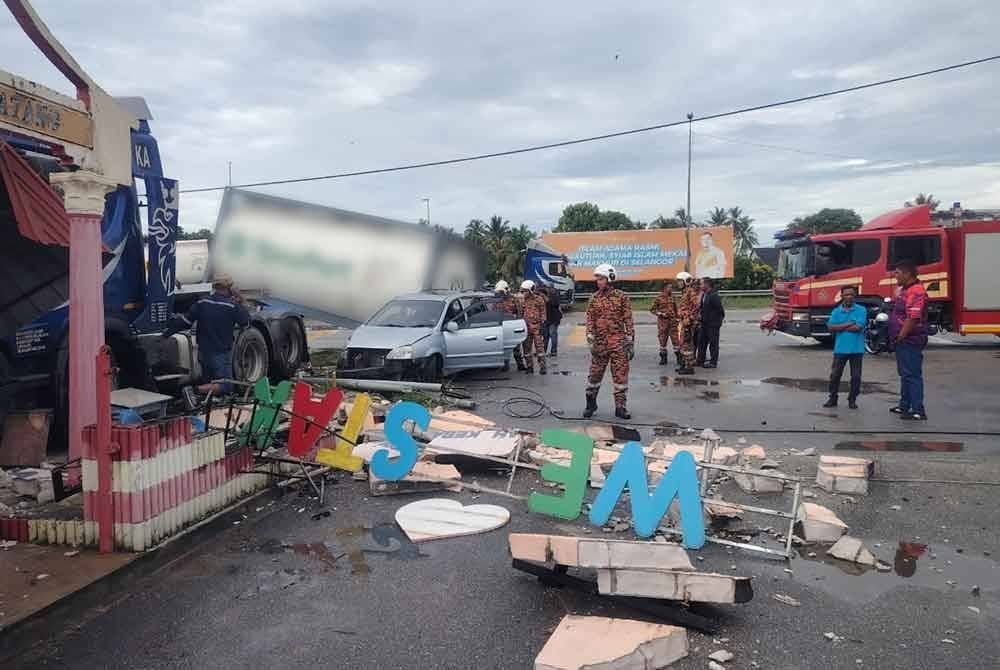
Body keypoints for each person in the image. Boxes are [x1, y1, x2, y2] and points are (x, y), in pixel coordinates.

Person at [163, 273, 250, 408]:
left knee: (208, 381)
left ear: (215, 286)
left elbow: (185, 321)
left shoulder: (202, 302)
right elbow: (246, 322)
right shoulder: (232, 307)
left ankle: (204, 404)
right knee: (225, 386)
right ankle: (192, 391)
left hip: (203, 351)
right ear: (229, 287)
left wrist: (166, 334)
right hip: (220, 352)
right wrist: (241, 300)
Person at [584, 263, 634, 419]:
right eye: (597, 279)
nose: (598, 281)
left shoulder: (622, 297)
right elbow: (590, 320)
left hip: (618, 344)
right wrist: (590, 339)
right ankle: (590, 404)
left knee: (620, 377)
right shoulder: (594, 298)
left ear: (610, 278)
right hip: (600, 345)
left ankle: (620, 408)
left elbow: (628, 320)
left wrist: (631, 341)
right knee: (594, 376)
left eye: (601, 278)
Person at [888, 260, 929, 420]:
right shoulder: (906, 290)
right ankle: (904, 405)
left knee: (912, 374)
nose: (894, 275)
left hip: (910, 340)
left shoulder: (916, 291)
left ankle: (918, 409)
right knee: (905, 374)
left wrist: (901, 336)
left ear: (907, 274)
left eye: (897, 272)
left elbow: (912, 318)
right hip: (902, 340)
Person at [822, 285, 866, 409]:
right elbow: (830, 327)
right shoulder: (836, 311)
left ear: (855, 296)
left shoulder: (861, 310)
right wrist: (850, 323)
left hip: (857, 349)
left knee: (856, 377)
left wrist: (840, 327)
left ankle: (852, 399)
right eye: (846, 294)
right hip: (840, 349)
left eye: (851, 294)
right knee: (835, 375)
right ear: (841, 296)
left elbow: (858, 328)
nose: (849, 297)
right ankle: (832, 398)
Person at [494, 280, 527, 371]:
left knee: (516, 346)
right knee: (505, 347)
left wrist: (519, 323)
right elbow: (493, 312)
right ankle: (505, 365)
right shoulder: (497, 301)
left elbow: (520, 312)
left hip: (513, 325)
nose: (500, 294)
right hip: (502, 326)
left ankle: (520, 364)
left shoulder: (513, 299)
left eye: (501, 292)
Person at [520, 280, 548, 374]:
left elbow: (543, 312)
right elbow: (520, 313)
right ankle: (529, 367)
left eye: (525, 291)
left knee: (539, 348)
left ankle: (542, 367)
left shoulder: (539, 299)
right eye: (523, 291)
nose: (524, 293)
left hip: (537, 327)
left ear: (531, 290)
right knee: (526, 348)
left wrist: (543, 325)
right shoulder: (522, 300)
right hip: (526, 327)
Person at [696, 278, 725, 368]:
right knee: (701, 342)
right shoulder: (705, 294)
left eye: (701, 284)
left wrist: (717, 323)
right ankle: (700, 360)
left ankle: (713, 362)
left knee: (713, 343)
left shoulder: (713, 295)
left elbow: (720, 310)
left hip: (712, 324)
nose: (700, 286)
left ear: (707, 284)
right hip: (704, 323)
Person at [675, 271, 700, 375]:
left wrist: (689, 318)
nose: (678, 283)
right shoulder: (685, 292)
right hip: (683, 322)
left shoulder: (690, 292)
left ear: (686, 281)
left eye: (680, 281)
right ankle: (684, 364)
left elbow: (697, 305)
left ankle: (689, 367)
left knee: (687, 345)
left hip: (687, 323)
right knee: (683, 345)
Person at [649, 283, 679, 366]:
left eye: (671, 287)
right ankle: (663, 358)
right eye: (669, 287)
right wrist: (661, 314)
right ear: (664, 288)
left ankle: (679, 359)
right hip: (663, 323)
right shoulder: (659, 298)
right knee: (662, 341)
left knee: (676, 341)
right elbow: (652, 310)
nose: (671, 289)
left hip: (673, 323)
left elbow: (676, 309)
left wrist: (677, 318)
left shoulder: (673, 297)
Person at [543, 285, 563, 357]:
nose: (546, 289)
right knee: (546, 336)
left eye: (547, 287)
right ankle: (543, 351)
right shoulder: (546, 295)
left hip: (554, 319)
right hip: (547, 319)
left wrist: (545, 297)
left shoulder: (555, 295)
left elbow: (555, 304)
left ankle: (554, 351)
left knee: (553, 334)